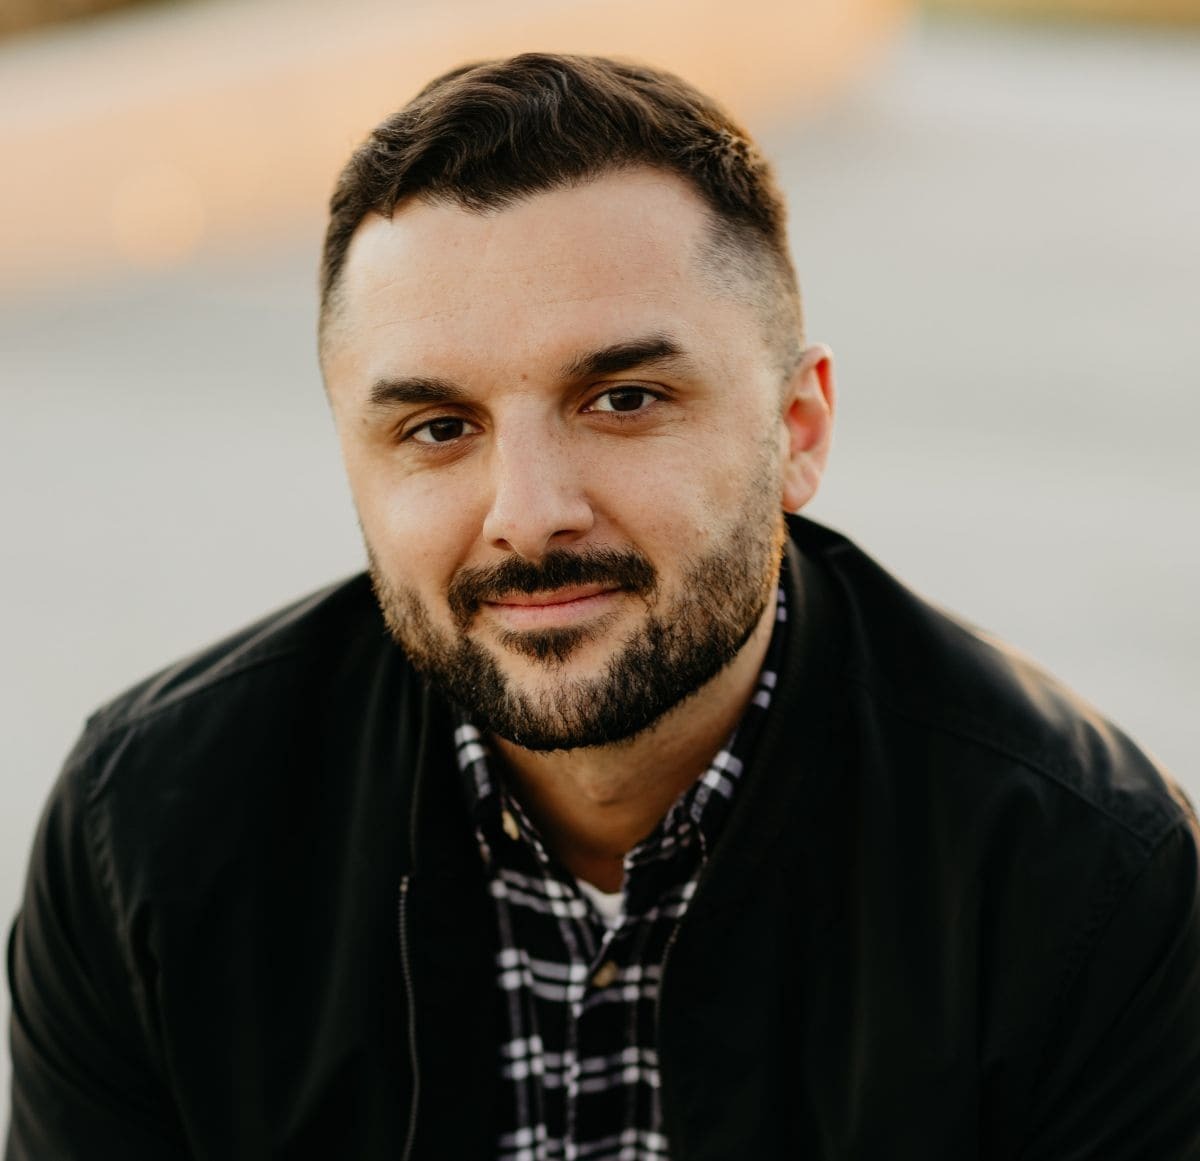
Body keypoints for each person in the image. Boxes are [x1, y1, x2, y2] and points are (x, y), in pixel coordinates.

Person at [6, 52, 1199, 1161]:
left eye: (623, 399)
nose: (527, 514)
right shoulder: (150, 836)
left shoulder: (1086, 881)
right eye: (436, 428)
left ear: (799, 429)